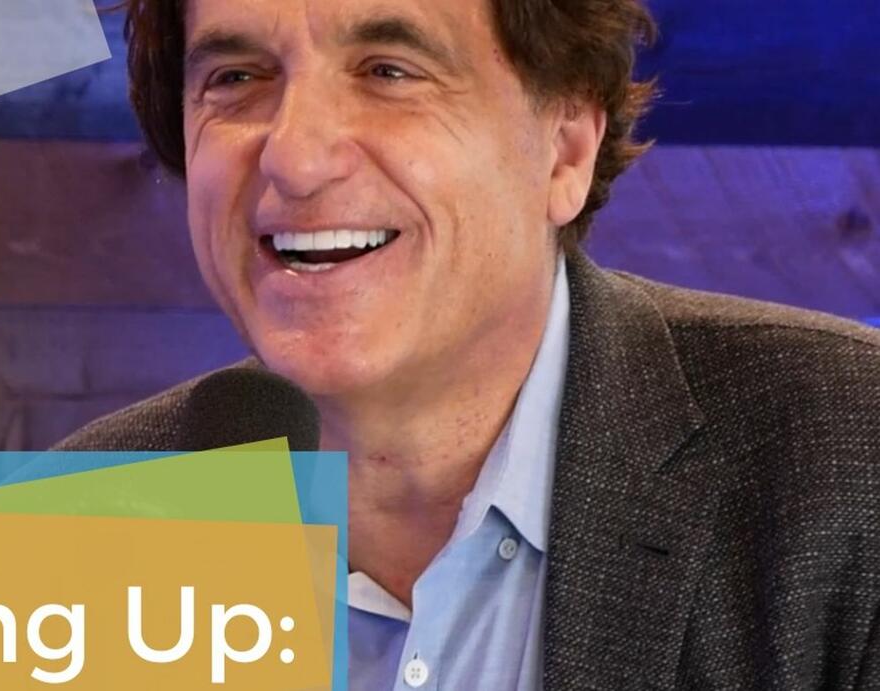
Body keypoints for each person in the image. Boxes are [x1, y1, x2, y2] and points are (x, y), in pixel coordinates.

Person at [56, 0, 880, 687]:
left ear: (567, 149)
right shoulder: (69, 532)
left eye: (388, 71)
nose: (296, 158)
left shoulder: (851, 464)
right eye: (237, 78)